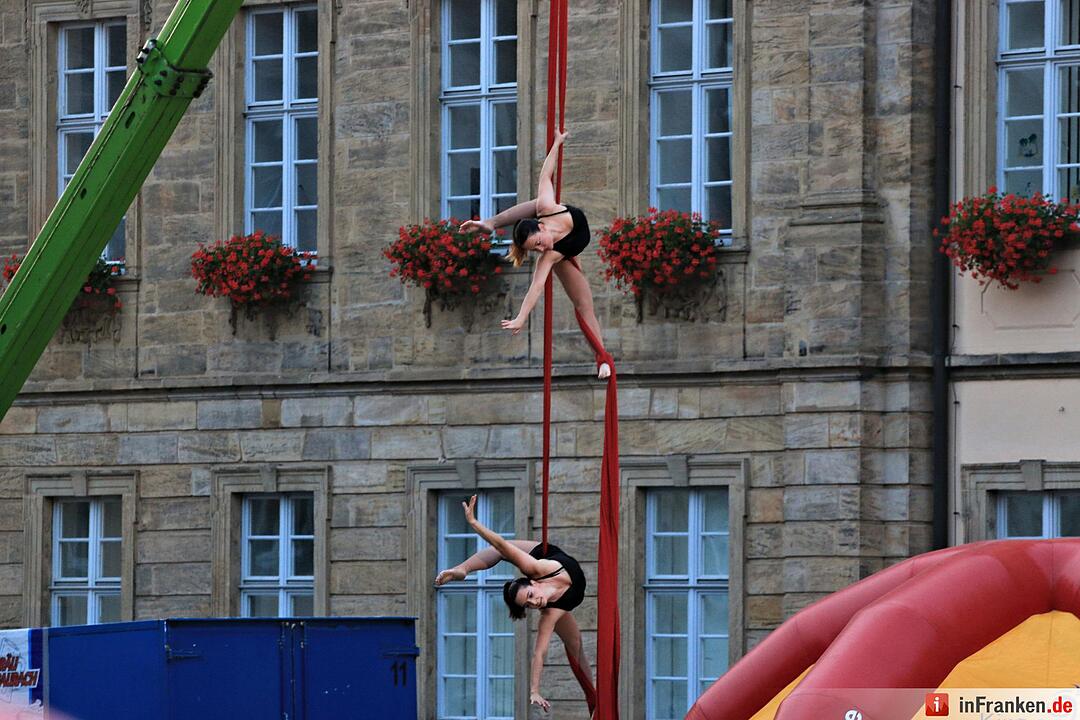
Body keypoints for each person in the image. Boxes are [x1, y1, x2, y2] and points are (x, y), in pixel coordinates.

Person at [460, 129, 612, 379]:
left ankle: (491, 222)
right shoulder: (550, 255)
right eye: (536, 249)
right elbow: (536, 287)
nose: (542, 249)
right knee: (584, 306)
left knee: (538, 202)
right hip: (567, 253)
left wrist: (557, 143)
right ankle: (602, 359)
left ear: (541, 227)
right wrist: (521, 318)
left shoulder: (547, 208)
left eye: (539, 243)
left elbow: (546, 173)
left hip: (566, 225)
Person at [435, 495, 594, 715]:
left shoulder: (537, 569)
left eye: (530, 595)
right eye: (529, 605)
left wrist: (473, 523)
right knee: (575, 645)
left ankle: (463, 569)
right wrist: (534, 691)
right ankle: (594, 699)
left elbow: (500, 544)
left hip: (546, 555)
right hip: (563, 601)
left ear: (533, 583)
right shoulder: (550, 613)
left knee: (501, 551)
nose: (534, 602)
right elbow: (539, 653)